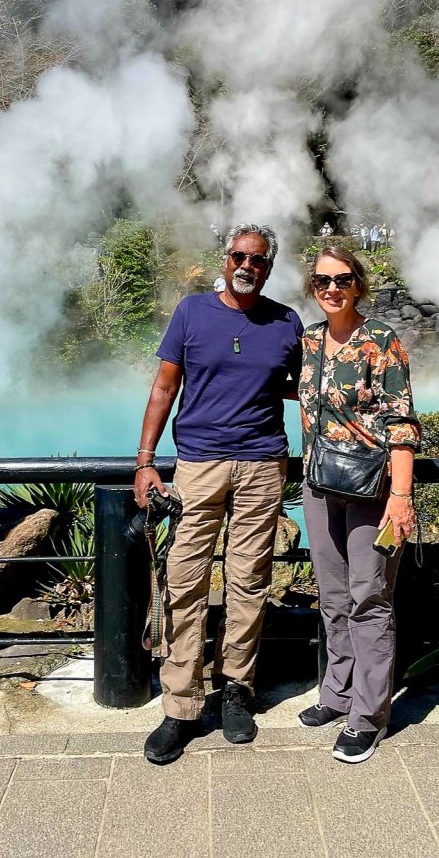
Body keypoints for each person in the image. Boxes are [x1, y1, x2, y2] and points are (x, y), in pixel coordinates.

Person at [135, 223, 303, 765]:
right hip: (198, 466)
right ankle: (180, 705)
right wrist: (145, 463)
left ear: (269, 266)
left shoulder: (286, 322)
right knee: (184, 579)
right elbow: (164, 387)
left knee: (249, 580)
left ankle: (237, 690)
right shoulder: (191, 312)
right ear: (225, 259)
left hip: (262, 464)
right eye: (238, 256)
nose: (247, 265)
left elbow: (305, 393)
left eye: (257, 258)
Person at [298, 245, 421, 764]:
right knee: (331, 594)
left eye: (342, 280)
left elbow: (401, 421)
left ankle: (368, 716)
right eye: (323, 281)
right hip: (319, 484)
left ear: (358, 285)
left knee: (369, 596)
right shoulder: (308, 341)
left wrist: (401, 496)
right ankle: (338, 693)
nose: (332, 289)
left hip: (372, 488)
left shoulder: (381, 340)